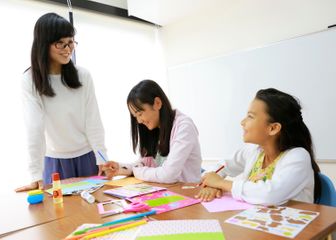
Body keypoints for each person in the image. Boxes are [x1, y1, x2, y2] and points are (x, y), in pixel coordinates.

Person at [15, 13, 107, 192]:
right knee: (59, 216)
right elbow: (34, 128)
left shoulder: (83, 76)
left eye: (71, 42)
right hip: (53, 162)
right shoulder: (30, 80)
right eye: (60, 43)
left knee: (92, 213)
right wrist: (35, 174)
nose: (68, 49)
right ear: (44, 44)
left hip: (87, 157)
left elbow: (93, 120)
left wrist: (102, 159)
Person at [196, 88, 321, 205]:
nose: (242, 122)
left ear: (273, 128)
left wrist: (221, 183)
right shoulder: (254, 151)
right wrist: (212, 184)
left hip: (292, 226)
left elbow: (270, 195)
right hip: (256, 222)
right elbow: (222, 166)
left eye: (250, 116)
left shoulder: (298, 156)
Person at [102, 80, 202, 184]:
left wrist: (137, 171)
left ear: (157, 103)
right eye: (135, 117)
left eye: (140, 114)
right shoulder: (154, 129)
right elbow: (142, 164)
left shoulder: (184, 127)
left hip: (187, 193)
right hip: (166, 192)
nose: (139, 121)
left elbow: (168, 175)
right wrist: (120, 168)